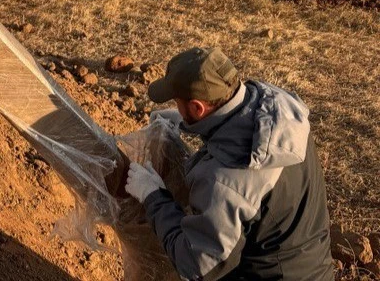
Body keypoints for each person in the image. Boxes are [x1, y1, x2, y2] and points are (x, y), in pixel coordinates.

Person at [125, 47, 333, 281]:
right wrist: (185, 122)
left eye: (178, 102)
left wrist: (152, 195)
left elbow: (197, 266)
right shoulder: (279, 114)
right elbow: (233, 129)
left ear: (197, 107)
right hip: (312, 267)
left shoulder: (225, 181)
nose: (177, 106)